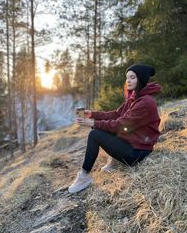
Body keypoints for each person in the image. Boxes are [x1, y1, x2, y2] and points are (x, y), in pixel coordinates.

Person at [68, 64, 162, 194]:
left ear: (141, 79)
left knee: (95, 134)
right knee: (102, 129)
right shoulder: (134, 97)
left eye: (132, 77)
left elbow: (119, 125)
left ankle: (83, 177)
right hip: (133, 143)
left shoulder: (145, 102)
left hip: (138, 152)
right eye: (127, 77)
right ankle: (113, 161)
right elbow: (116, 114)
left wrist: (92, 123)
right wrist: (92, 114)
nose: (128, 80)